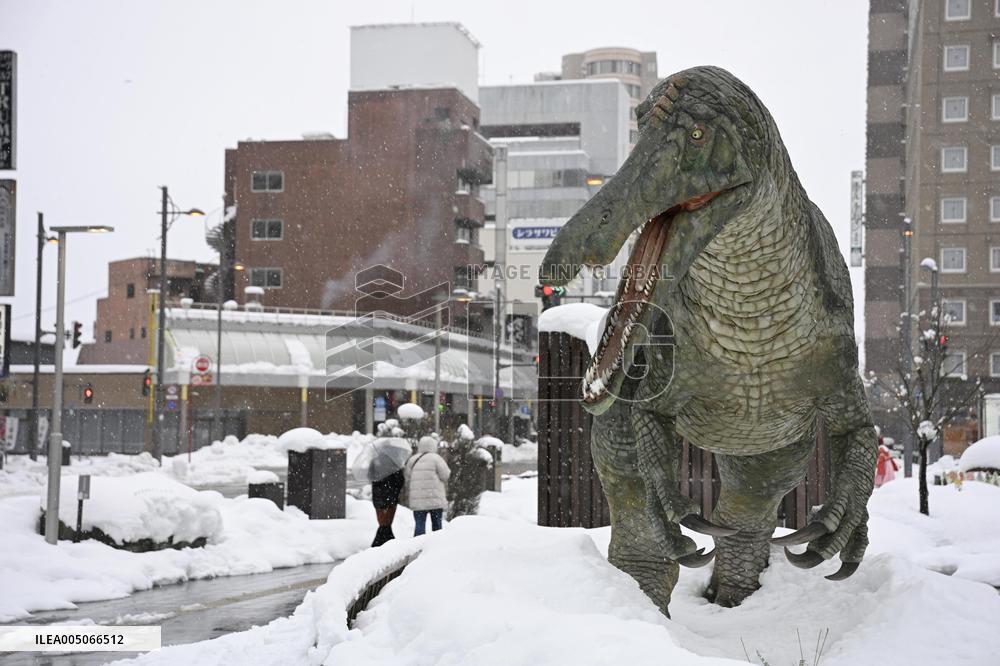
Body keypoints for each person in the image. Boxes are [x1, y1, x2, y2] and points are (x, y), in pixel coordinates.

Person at [404, 436, 451, 536]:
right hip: (435, 498)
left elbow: (407, 477)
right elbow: (445, 475)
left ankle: (417, 548)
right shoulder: (436, 458)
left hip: (418, 500)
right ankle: (437, 547)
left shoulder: (412, 460)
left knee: (419, 527)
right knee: (437, 528)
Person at [370, 464, 405, 547]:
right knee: (386, 524)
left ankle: (382, 544)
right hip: (390, 498)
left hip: (378, 498)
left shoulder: (375, 462)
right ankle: (384, 544)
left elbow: (370, 477)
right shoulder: (393, 463)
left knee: (383, 523)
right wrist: (395, 490)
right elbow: (400, 481)